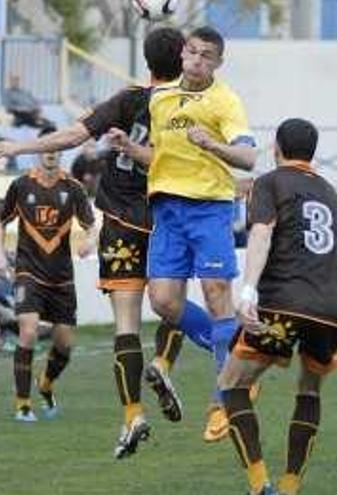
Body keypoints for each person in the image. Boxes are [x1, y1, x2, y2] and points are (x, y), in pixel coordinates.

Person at [0, 27, 218, 452]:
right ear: (183, 57)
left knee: (126, 324)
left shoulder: (128, 100)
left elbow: (72, 136)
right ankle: (170, 360)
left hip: (122, 221)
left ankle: (133, 415)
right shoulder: (192, 107)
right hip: (166, 218)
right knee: (170, 303)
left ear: (146, 62)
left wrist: (16, 148)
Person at [110, 26, 258, 443]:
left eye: (205, 56)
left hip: (209, 208)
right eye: (191, 52)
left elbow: (247, 156)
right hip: (167, 209)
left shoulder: (224, 101)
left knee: (215, 294)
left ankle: (224, 396)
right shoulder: (161, 99)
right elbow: (160, 157)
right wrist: (128, 147)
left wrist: (212, 144)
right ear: (182, 55)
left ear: (217, 63)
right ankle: (236, 353)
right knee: (164, 302)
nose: (195, 60)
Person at [218, 118, 337, 495]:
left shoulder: (270, 182)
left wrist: (248, 291)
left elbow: (260, 233)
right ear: (312, 152)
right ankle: (291, 487)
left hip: (284, 302)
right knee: (309, 391)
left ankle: (261, 486)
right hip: (331, 309)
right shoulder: (332, 195)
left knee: (232, 384)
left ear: (276, 147)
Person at [0, 129, 95, 423]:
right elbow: (2, 222)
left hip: (61, 275)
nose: (50, 152)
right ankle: (23, 404)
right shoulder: (21, 185)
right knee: (28, 330)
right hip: (28, 270)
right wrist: (0, 254)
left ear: (61, 152)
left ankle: (46, 384)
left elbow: (90, 225)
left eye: (55, 148)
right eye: (46, 148)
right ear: (39, 151)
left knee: (64, 344)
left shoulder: (73, 188)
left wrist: (91, 240)